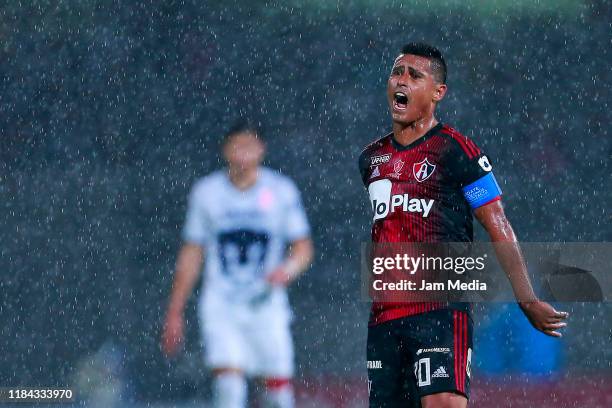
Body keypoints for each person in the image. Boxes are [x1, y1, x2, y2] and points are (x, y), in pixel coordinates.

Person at [358, 43, 568, 408]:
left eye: (414, 75)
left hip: (439, 309)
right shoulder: (371, 159)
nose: (401, 80)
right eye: (397, 72)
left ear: (438, 92)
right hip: (385, 316)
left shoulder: (458, 150)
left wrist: (526, 297)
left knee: (443, 403)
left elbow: (497, 223)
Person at [162, 124, 314, 408]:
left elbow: (303, 248)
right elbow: (192, 253)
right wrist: (175, 311)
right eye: (237, 146)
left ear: (261, 150)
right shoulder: (207, 193)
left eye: (249, 146)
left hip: (266, 305)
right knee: (229, 387)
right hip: (222, 304)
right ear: (225, 150)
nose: (243, 154)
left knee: (278, 395)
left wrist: (287, 270)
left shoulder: (281, 191)